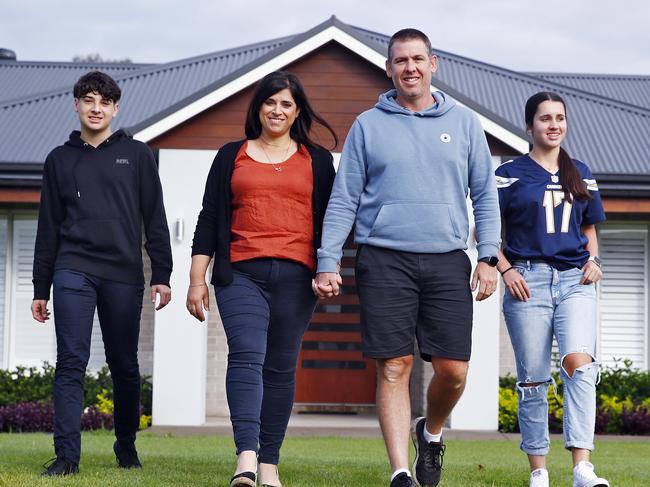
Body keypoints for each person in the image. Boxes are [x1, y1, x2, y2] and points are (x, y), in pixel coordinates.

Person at [314, 29, 501, 487]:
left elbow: (485, 195)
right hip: (384, 258)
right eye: (400, 61)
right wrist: (328, 259)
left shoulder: (464, 123)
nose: (409, 68)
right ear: (389, 68)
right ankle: (400, 470)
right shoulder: (367, 125)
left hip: (446, 259)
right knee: (394, 366)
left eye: (418, 59)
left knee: (454, 371)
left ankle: (430, 432)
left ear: (433, 64)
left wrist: (489, 256)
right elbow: (343, 200)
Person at [186, 70, 337, 487]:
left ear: (297, 111)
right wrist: (197, 278)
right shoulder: (231, 154)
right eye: (270, 101)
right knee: (247, 355)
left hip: (296, 275)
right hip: (241, 274)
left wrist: (331, 267)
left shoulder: (318, 161)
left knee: (281, 367)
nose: (277, 109)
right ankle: (247, 457)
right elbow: (209, 219)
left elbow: (334, 220)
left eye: (286, 103)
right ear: (258, 107)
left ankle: (270, 461)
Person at [31, 71, 173, 476]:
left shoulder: (139, 155)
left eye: (104, 102)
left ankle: (125, 446)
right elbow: (48, 226)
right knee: (71, 362)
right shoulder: (59, 159)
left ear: (116, 108)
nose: (96, 108)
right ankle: (66, 458)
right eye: (89, 100)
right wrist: (42, 287)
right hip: (72, 268)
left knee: (124, 364)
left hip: (123, 273)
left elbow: (155, 219)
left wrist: (161, 272)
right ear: (76, 104)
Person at [495, 92, 609, 487]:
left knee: (581, 366)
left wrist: (594, 261)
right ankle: (539, 472)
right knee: (533, 379)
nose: (554, 125)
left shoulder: (580, 171)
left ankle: (582, 468)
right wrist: (505, 269)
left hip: (575, 281)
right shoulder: (509, 173)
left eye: (560, 118)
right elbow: (488, 231)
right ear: (530, 125)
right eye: (545, 118)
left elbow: (589, 228)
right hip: (528, 282)